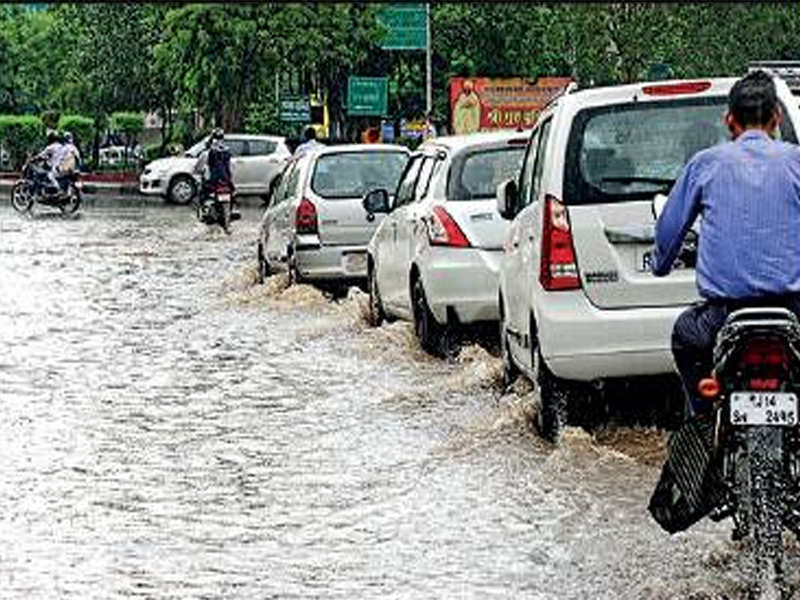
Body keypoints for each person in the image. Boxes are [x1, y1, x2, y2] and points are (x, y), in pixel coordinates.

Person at [652, 70, 800, 419]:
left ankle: (702, 423)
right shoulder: (796, 162)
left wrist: (661, 264)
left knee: (685, 336)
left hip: (724, 318)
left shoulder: (706, 164)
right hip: (794, 313)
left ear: (729, 121)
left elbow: (667, 236)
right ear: (777, 118)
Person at [194, 128, 234, 234]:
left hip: (213, 182)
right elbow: (231, 168)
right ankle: (228, 222)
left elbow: (198, 168)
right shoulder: (227, 151)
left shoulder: (207, 153)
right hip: (226, 182)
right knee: (233, 195)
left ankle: (204, 214)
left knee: (202, 195)